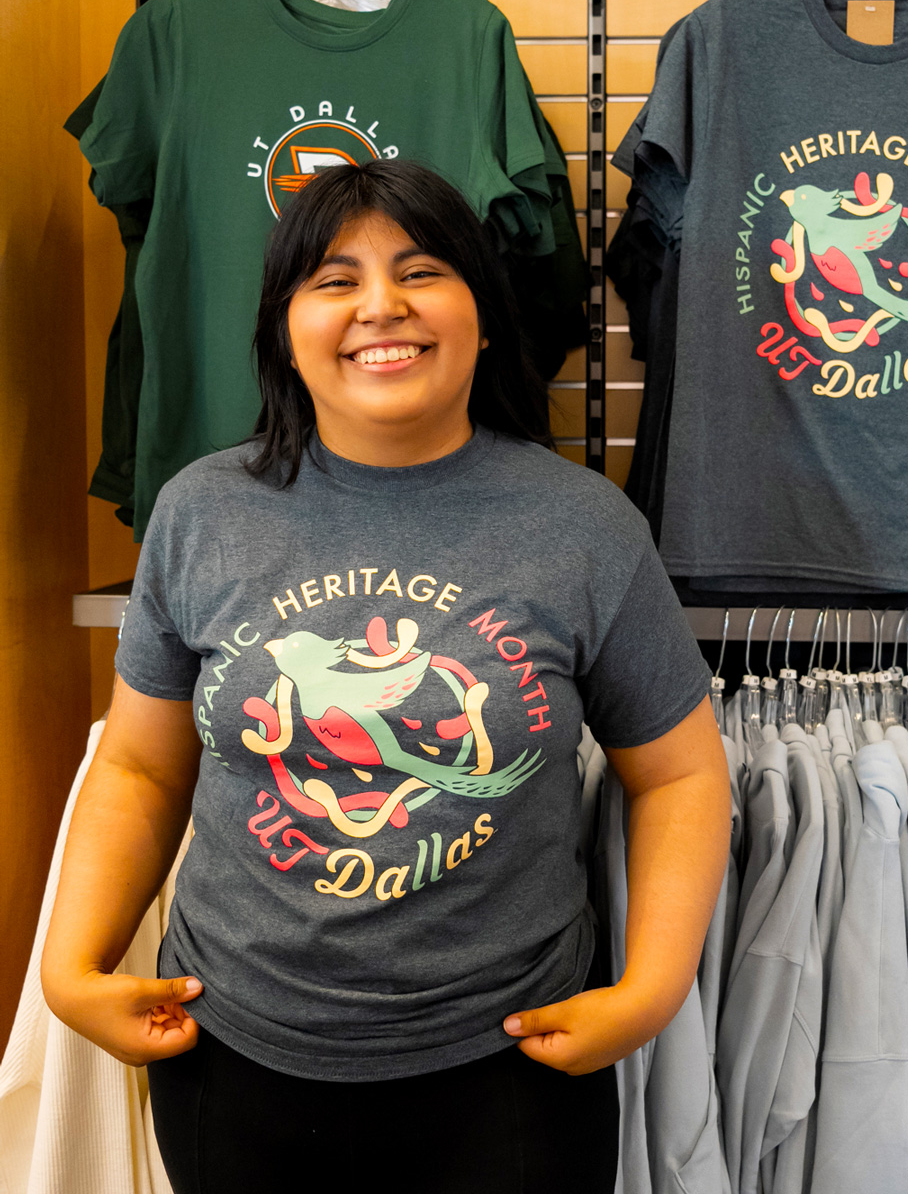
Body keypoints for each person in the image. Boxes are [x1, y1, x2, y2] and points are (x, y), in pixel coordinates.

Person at [40, 159, 730, 1193]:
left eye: (421, 270)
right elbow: (140, 767)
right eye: (332, 279)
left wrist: (652, 988)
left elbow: (679, 774)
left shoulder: (584, 527)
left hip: (509, 1067)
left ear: (485, 317)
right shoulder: (200, 513)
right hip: (235, 1056)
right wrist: (69, 966)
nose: (380, 306)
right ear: (284, 327)